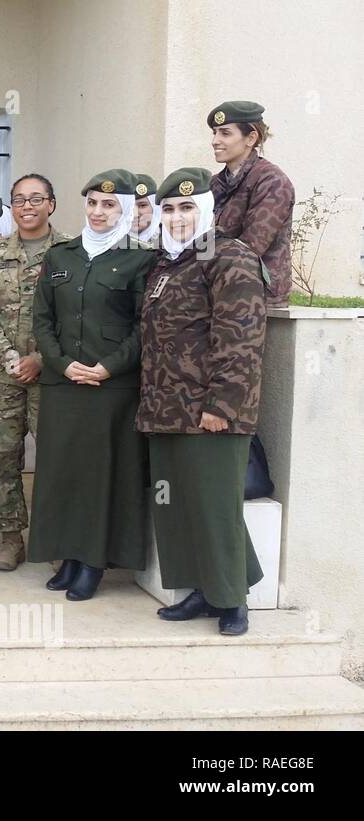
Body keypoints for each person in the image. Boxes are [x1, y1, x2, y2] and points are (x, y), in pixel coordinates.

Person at [138, 168, 267, 636]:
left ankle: (232, 599)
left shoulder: (228, 257)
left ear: (208, 211)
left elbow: (241, 340)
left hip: (210, 411)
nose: (176, 218)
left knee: (214, 507)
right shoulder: (166, 265)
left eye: (187, 208)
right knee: (177, 505)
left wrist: (223, 406)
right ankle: (201, 587)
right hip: (165, 409)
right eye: (168, 209)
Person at [29, 168, 154, 601]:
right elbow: (42, 319)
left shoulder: (141, 258)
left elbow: (144, 326)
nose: (99, 212)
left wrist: (107, 367)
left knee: (101, 476)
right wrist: (62, 364)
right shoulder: (61, 255)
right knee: (62, 472)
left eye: (109, 205)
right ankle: (66, 554)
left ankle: (93, 561)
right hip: (63, 384)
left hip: (110, 388)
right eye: (93, 203)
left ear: (123, 210)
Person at [0, 173, 72, 572]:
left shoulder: (70, 253)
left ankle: (57, 540)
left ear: (52, 204)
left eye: (35, 199)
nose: (26, 206)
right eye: (18, 200)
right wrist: (12, 358)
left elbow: (75, 318)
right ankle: (11, 539)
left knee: (57, 460)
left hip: (54, 376)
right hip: (2, 377)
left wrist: (42, 360)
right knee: (0, 460)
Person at [207, 100, 295, 309]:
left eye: (225, 133)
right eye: (214, 132)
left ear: (251, 138)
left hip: (254, 295)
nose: (215, 140)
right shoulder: (215, 183)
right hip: (213, 286)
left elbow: (250, 247)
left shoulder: (272, 181)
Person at [130, 174, 160, 247]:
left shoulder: (171, 241)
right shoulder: (110, 243)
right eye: (129, 207)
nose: (135, 214)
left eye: (142, 205)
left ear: (155, 208)